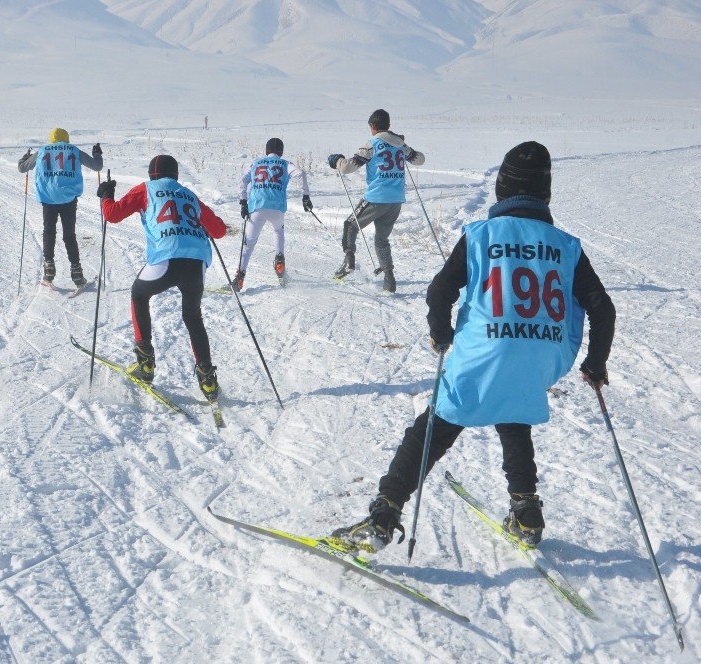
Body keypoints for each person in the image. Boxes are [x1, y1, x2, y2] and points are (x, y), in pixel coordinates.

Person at [333, 142, 616, 552]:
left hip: (484, 352)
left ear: (503, 189)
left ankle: (385, 511)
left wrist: (441, 333)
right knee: (513, 413)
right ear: (544, 193)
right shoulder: (567, 246)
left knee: (433, 428)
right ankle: (526, 510)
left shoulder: (482, 235)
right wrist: (595, 362)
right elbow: (602, 308)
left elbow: (440, 290)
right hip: (541, 357)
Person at [97, 155, 228, 401]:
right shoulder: (189, 195)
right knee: (192, 316)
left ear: (151, 175)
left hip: (166, 258)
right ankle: (208, 380)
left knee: (139, 294)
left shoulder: (146, 189)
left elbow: (112, 215)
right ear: (176, 175)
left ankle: (145, 364)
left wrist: (105, 194)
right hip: (196, 263)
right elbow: (219, 231)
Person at [327, 109, 425, 292]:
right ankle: (389, 281)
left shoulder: (373, 143)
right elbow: (420, 160)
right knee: (381, 239)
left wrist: (338, 161)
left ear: (372, 126)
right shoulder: (401, 145)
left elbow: (348, 167)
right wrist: (404, 147)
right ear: (388, 125)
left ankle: (349, 262)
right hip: (396, 201)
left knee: (350, 225)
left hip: (376, 198)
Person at [18, 128, 103, 288]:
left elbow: (22, 168)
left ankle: (48, 271)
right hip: (68, 199)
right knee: (69, 235)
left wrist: (26, 157)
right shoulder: (73, 150)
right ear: (66, 139)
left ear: (52, 139)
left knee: (48, 232)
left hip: (48, 198)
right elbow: (97, 166)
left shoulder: (42, 151)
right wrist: (97, 153)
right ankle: (77, 276)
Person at [233, 138, 313, 291]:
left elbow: (243, 181)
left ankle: (240, 278)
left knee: (248, 244)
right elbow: (301, 173)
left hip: (256, 207)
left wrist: (243, 201)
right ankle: (279, 260)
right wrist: (305, 196)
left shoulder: (256, 163)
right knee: (278, 231)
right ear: (281, 152)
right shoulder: (285, 164)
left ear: (266, 151)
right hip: (277, 208)